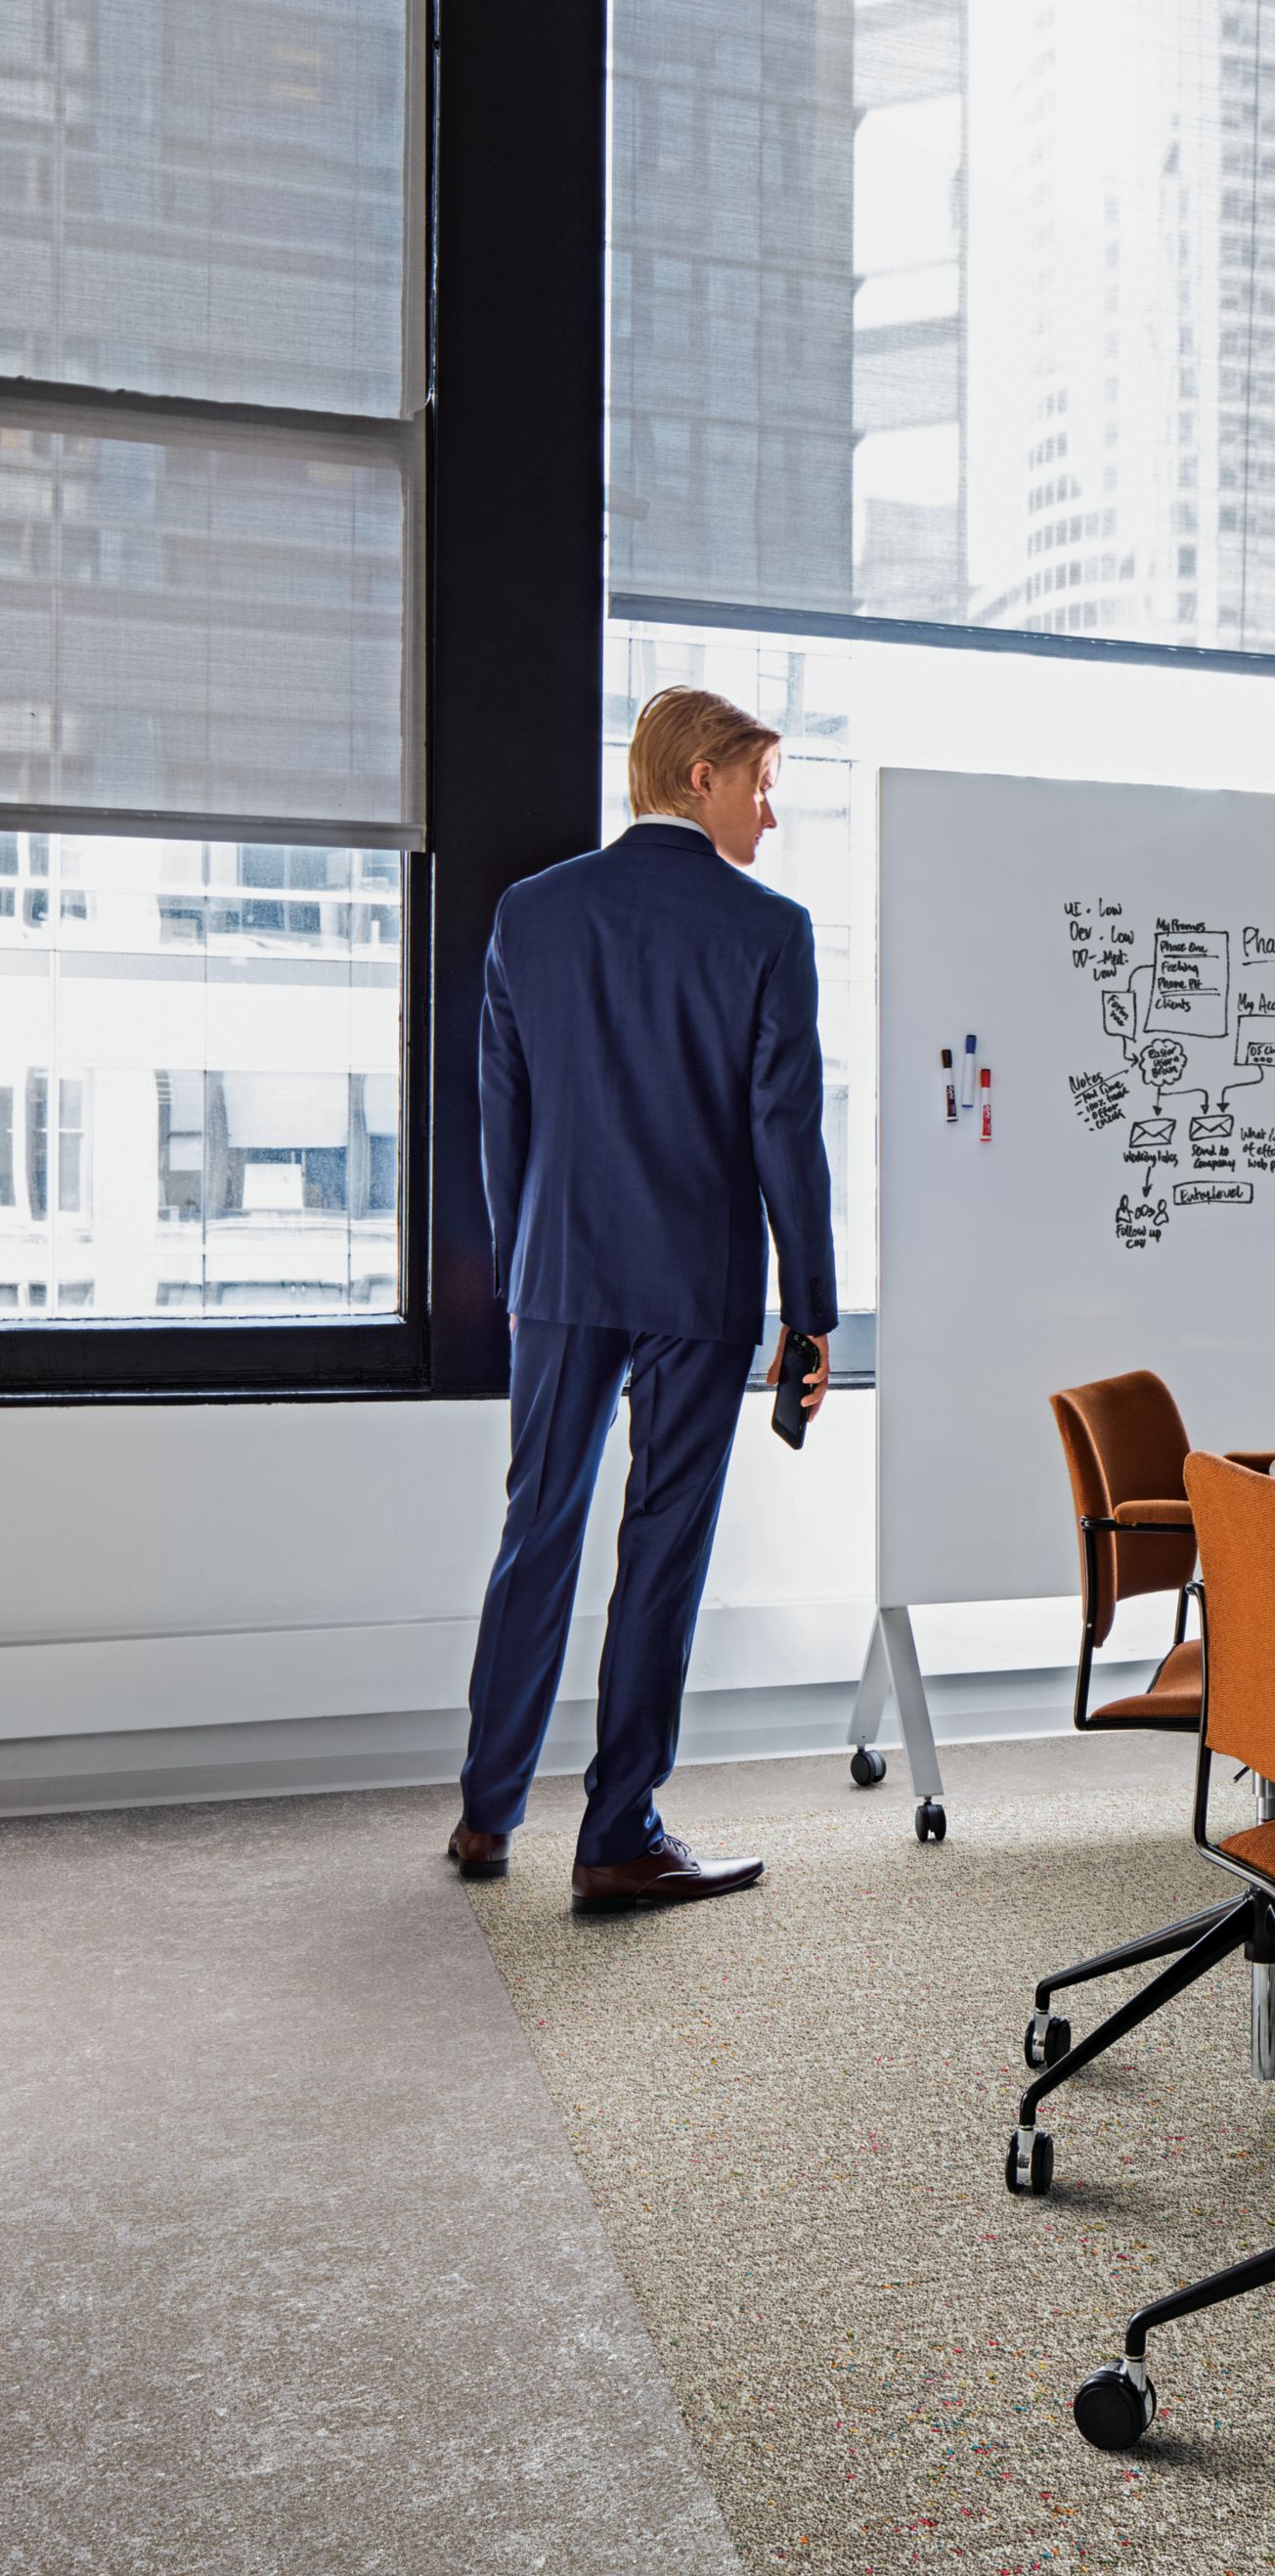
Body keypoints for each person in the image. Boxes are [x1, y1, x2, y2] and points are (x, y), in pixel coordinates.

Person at [448, 686, 838, 1907]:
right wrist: (809, 1306)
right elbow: (786, 1133)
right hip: (695, 1283)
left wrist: (520, 1271)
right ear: (700, 776)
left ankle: (485, 1813)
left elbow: (498, 1113)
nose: (772, 815)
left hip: (557, 1276)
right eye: (763, 784)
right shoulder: (768, 930)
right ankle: (619, 1832)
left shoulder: (532, 912)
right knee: (659, 1551)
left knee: (536, 1535)